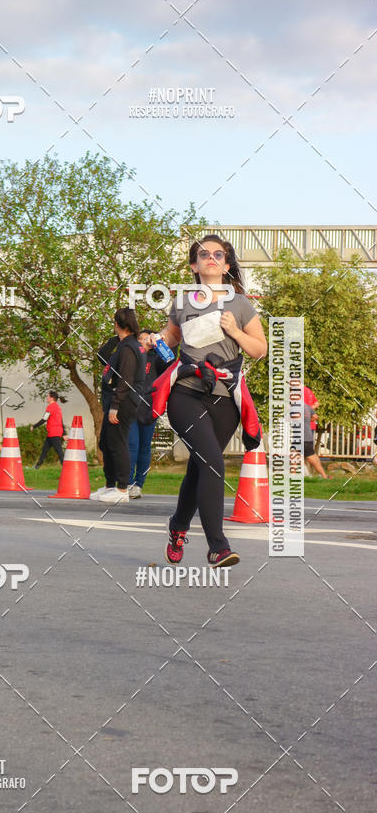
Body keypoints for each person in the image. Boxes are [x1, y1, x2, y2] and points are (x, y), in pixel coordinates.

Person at [154, 234, 267, 568]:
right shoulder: (183, 302)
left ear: (227, 264)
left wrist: (235, 331)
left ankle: (178, 526)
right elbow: (170, 339)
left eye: (219, 254)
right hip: (186, 393)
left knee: (201, 466)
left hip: (225, 399)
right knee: (213, 462)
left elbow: (259, 350)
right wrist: (153, 340)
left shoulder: (240, 304)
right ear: (194, 265)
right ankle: (218, 546)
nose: (212, 258)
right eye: (204, 254)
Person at [92, 308, 146, 503]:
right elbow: (102, 356)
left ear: (118, 324)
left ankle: (122, 489)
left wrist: (115, 406)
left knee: (118, 443)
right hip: (118, 399)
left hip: (123, 401)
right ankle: (110, 485)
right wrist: (118, 337)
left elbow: (126, 380)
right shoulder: (125, 344)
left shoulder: (129, 348)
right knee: (107, 442)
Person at [127, 330, 170, 498]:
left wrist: (161, 344)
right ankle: (127, 483)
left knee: (145, 447)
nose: (146, 340)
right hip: (131, 406)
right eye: (142, 338)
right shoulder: (132, 355)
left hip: (149, 407)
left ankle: (139, 484)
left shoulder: (156, 358)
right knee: (132, 445)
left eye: (148, 337)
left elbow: (170, 362)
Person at [30, 390, 66, 468]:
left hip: (54, 433)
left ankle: (65, 467)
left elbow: (44, 419)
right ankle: (37, 466)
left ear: (51, 398)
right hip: (53, 433)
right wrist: (64, 433)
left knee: (59, 451)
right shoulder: (57, 407)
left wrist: (34, 426)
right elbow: (61, 421)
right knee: (44, 450)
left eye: (48, 396)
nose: (47, 398)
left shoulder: (51, 407)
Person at [304, 401, 328, 478]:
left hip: (302, 437)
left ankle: (323, 475)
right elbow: (315, 417)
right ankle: (323, 475)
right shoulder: (307, 406)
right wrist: (307, 420)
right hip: (307, 435)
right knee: (311, 456)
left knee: (311, 457)